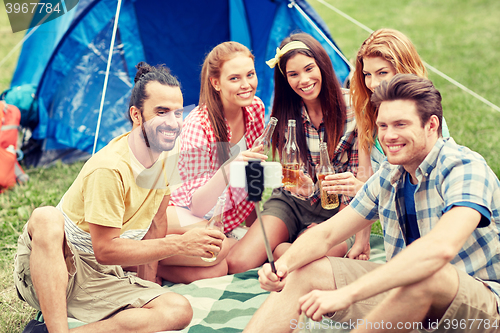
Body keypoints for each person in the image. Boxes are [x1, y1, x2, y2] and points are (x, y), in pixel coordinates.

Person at [244, 74, 500, 333]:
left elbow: (440, 250)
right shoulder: (390, 175)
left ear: (431, 125)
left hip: (479, 307)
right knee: (306, 269)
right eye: (383, 126)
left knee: (427, 275)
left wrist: (349, 294)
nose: (389, 136)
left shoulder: (465, 168)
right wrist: (283, 266)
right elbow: (327, 233)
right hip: (408, 296)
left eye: (400, 124)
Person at [14, 62, 226, 333]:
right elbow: (105, 250)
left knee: (177, 309)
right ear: (136, 115)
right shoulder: (110, 168)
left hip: (101, 279)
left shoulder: (168, 157)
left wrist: (148, 289)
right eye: (161, 112)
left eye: (177, 112)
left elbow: (155, 226)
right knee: (46, 217)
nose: (173, 123)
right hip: (57, 269)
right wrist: (180, 244)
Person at [227, 33, 371, 274]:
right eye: (293, 74)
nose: (303, 80)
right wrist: (296, 183)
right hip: (292, 202)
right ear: (285, 79)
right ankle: (282, 246)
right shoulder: (286, 113)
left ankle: (283, 249)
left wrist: (358, 238)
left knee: (299, 259)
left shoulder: (354, 109)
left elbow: (359, 178)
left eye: (308, 69)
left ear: (322, 65)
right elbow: (288, 174)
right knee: (238, 263)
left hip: (338, 209)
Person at [168, 41, 267, 245]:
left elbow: (252, 177)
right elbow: (196, 207)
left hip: (226, 216)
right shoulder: (198, 125)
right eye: (234, 78)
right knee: (221, 253)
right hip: (185, 214)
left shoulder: (255, 108)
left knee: (238, 254)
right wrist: (229, 168)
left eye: (250, 74)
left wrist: (254, 228)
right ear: (216, 83)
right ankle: (156, 261)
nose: (246, 85)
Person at [350, 28, 451, 183]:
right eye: (367, 74)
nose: (373, 83)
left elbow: (436, 181)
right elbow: (364, 176)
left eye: (382, 73)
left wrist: (360, 190)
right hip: (376, 203)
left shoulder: (426, 117)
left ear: (403, 70)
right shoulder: (366, 112)